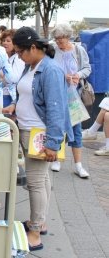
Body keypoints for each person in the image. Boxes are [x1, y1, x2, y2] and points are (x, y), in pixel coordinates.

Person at [3, 27, 73, 252]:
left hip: (38, 133)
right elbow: (27, 93)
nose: (19, 56)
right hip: (27, 128)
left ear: (34, 48)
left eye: (21, 51)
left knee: (34, 182)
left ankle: (34, 232)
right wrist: (15, 105)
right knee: (41, 180)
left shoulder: (50, 70)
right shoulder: (31, 65)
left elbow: (55, 108)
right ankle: (40, 222)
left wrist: (53, 143)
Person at [50, 23, 91, 178]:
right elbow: (50, 69)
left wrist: (77, 75)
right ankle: (57, 159)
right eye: (57, 39)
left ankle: (78, 165)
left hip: (74, 96)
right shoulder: (53, 50)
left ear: (68, 37)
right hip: (57, 95)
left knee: (76, 130)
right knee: (58, 126)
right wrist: (62, 76)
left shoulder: (79, 50)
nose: (59, 42)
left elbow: (87, 68)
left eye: (61, 39)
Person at [0, 29, 25, 107]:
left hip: (10, 97)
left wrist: (2, 76)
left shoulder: (18, 58)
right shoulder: (3, 56)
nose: (5, 43)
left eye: (8, 41)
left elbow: (15, 78)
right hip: (1, 94)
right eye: (3, 40)